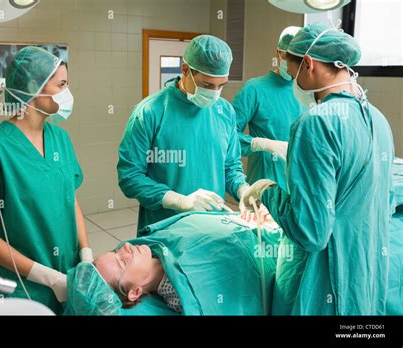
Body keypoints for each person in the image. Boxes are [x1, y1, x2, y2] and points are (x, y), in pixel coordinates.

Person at [240, 23, 394, 315]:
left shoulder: (316, 123)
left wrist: (267, 191)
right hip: (364, 277)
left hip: (325, 283)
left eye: (291, 67)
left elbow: (311, 231)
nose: (291, 78)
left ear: (307, 64)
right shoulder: (378, 119)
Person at [0, 46, 93, 314]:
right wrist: (48, 278)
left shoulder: (61, 139)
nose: (68, 93)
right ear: (34, 87)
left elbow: (71, 200)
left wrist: (86, 254)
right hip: (23, 286)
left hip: (70, 270)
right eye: (62, 84)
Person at [117, 35, 248, 233]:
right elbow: (130, 176)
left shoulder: (225, 112)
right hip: (167, 228)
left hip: (213, 228)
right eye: (207, 85)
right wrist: (179, 201)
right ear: (185, 70)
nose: (215, 93)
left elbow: (230, 168)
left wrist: (244, 191)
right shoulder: (150, 112)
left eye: (221, 85)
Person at [92, 211, 280, 315]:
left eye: (116, 251)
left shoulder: (161, 240)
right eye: (123, 262)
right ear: (135, 292)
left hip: (257, 221)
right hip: (274, 248)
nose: (126, 247)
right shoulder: (180, 296)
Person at [232, 26, 303, 190]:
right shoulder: (254, 89)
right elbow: (226, 136)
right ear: (277, 52)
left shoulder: (310, 93)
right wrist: (259, 143)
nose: (290, 63)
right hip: (264, 188)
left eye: (297, 58)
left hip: (299, 187)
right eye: (286, 56)